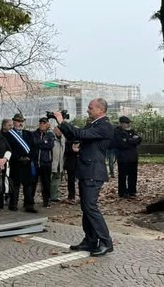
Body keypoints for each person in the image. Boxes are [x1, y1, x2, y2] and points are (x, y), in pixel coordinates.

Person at [54, 98, 114, 257]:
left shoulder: (104, 126)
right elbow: (78, 136)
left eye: (90, 108)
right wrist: (74, 141)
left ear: (101, 109)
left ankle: (106, 242)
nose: (88, 110)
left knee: (90, 207)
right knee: (86, 207)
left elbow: (80, 133)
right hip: (87, 170)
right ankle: (91, 240)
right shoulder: (94, 124)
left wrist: (61, 121)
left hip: (93, 172)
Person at [2, 114, 36, 212]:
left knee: (28, 185)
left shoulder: (28, 134)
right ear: (13, 122)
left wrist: (29, 157)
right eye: (18, 121)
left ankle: (29, 205)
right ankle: (13, 205)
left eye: (21, 121)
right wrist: (18, 158)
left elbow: (33, 148)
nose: (20, 123)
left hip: (27, 163)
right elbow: (9, 149)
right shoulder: (8, 135)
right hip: (16, 163)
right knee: (15, 185)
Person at [113, 116, 142, 198]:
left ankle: (132, 191)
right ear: (121, 123)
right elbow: (121, 144)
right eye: (126, 123)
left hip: (133, 157)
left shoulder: (132, 131)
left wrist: (128, 140)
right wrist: (131, 140)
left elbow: (139, 139)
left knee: (133, 175)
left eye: (129, 123)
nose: (128, 124)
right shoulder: (117, 131)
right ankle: (122, 192)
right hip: (123, 157)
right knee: (122, 175)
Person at [30, 117, 55, 208]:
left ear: (47, 124)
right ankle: (30, 200)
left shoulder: (50, 135)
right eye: (40, 122)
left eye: (44, 123)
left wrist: (40, 143)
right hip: (35, 163)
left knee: (46, 183)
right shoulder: (33, 134)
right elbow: (33, 144)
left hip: (46, 163)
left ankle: (47, 200)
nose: (42, 124)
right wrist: (43, 142)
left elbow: (49, 145)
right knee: (33, 183)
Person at [50, 126, 66, 202]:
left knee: (57, 181)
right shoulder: (51, 137)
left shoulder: (63, 138)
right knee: (49, 180)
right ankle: (47, 196)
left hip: (60, 163)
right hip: (52, 163)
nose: (60, 132)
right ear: (54, 130)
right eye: (58, 130)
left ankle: (54, 196)